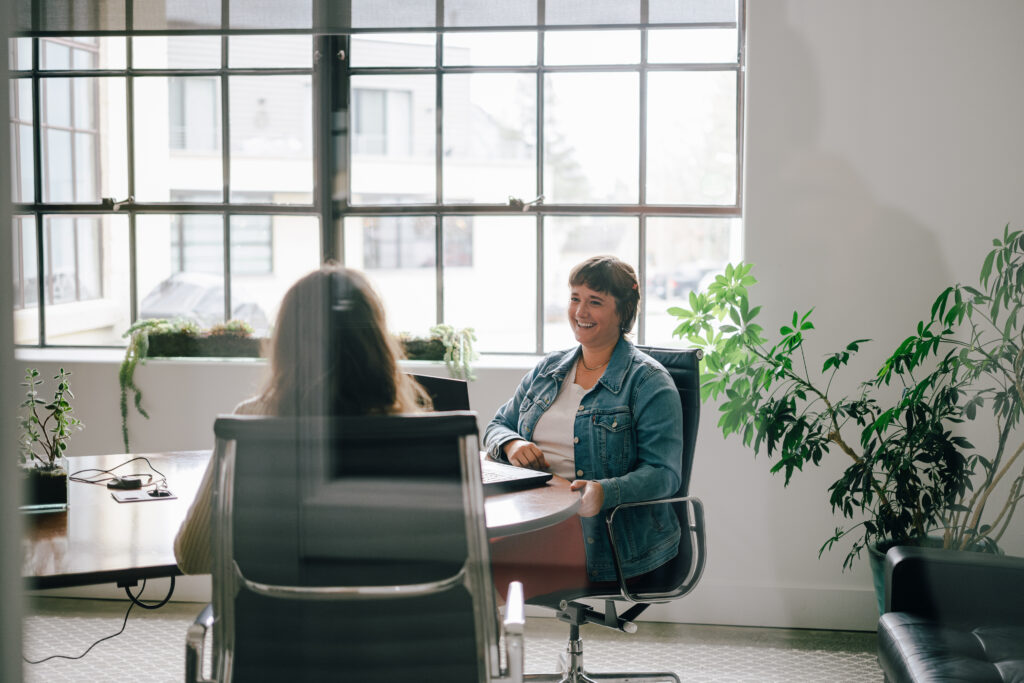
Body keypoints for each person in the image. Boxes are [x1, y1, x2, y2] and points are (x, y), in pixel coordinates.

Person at [174, 264, 430, 574]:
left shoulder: (249, 422)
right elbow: (440, 555)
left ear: (285, 343)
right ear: (377, 343)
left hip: (274, 619)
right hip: (382, 620)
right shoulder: (416, 433)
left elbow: (194, 556)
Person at [484, 255, 683, 597]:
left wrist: (604, 492)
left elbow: (664, 474)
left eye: (595, 302)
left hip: (601, 537)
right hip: (533, 514)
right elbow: (498, 424)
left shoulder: (649, 381)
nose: (580, 312)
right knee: (462, 552)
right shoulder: (548, 370)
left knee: (479, 567)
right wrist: (511, 444)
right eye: (575, 298)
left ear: (623, 312)